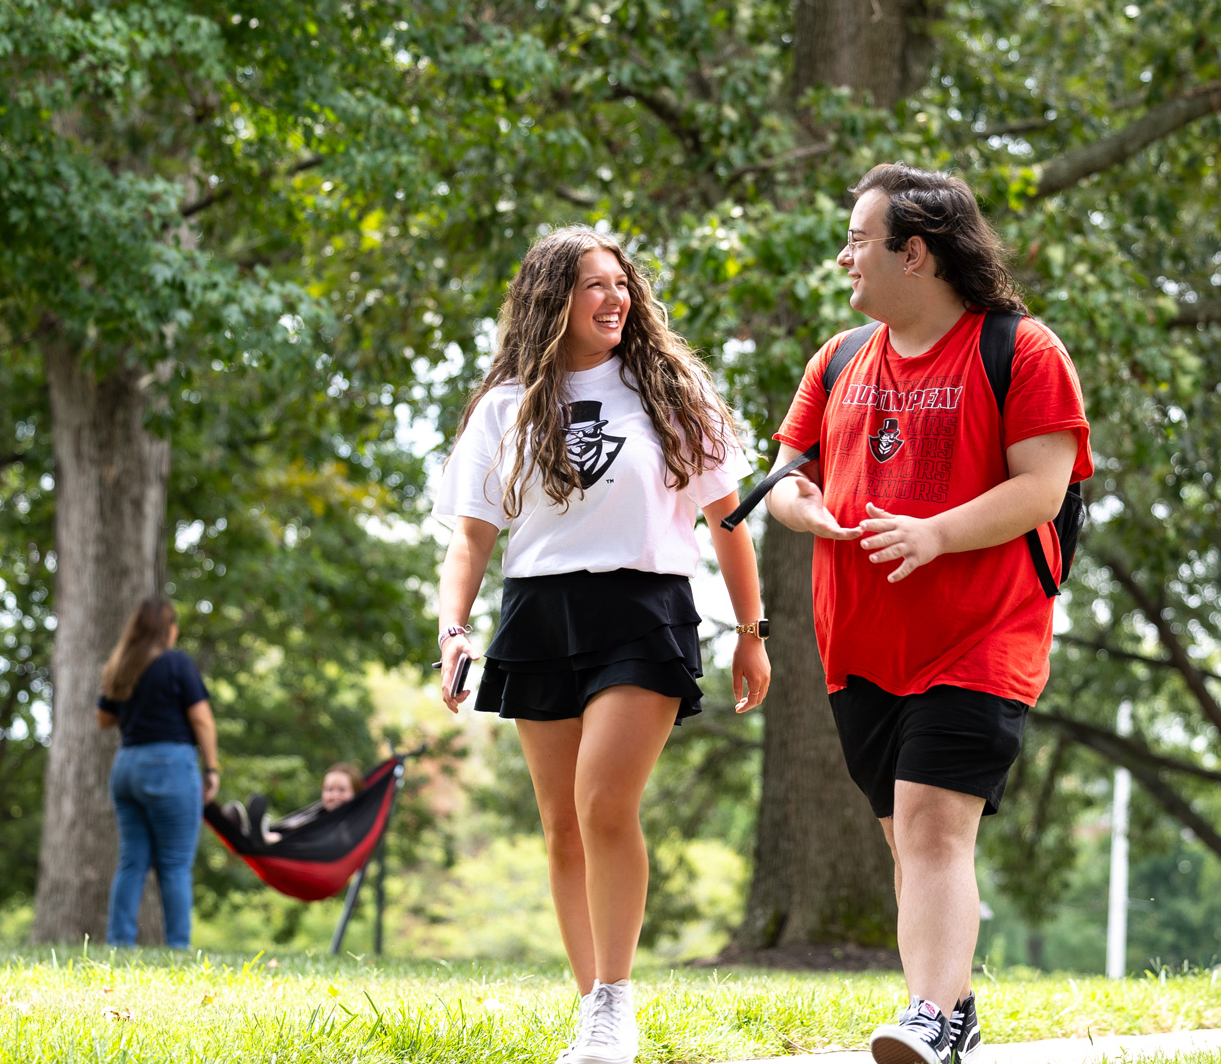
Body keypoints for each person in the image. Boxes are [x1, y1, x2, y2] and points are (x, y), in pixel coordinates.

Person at [765, 164, 1092, 1064]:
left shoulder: (1023, 351)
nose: (844, 259)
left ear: (915, 254)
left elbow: (1041, 488)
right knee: (908, 846)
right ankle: (953, 1005)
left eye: (859, 242)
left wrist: (936, 535)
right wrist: (807, 510)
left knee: (935, 828)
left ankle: (930, 1020)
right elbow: (786, 477)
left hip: (982, 637)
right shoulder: (836, 359)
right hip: (861, 645)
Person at [433, 226, 771, 1064]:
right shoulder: (507, 407)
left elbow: (727, 521)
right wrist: (454, 627)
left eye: (620, 284)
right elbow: (470, 539)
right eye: (592, 285)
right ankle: (591, 1009)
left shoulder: (670, 391)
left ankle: (615, 1005)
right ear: (553, 298)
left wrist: (751, 633)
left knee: (602, 802)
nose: (614, 298)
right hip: (539, 613)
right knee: (560, 825)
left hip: (643, 606)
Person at [94, 596, 219, 949]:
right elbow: (202, 719)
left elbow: (104, 719)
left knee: (132, 860)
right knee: (176, 865)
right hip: (169, 766)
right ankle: (178, 947)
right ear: (169, 629)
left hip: (127, 766)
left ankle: (119, 942)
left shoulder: (121, 666)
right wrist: (212, 767)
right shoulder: (176, 663)